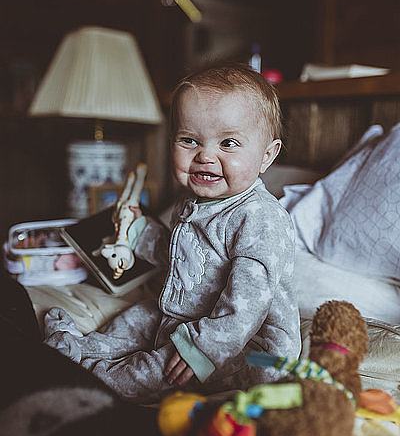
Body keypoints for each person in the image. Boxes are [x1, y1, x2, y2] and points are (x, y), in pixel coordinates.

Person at [45, 63, 301, 403]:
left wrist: (204, 347)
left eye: (228, 143)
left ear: (267, 156)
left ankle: (97, 381)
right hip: (183, 314)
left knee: (159, 369)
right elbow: (178, 252)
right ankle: (81, 347)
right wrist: (137, 231)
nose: (205, 156)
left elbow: (247, 304)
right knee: (136, 318)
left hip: (243, 348)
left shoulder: (262, 219)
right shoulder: (191, 202)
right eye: (189, 140)